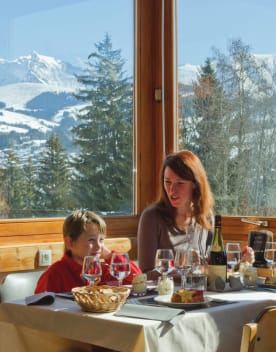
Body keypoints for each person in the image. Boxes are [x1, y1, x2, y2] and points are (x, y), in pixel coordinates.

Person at [137, 149, 254, 280]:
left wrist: (239, 262)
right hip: (165, 296)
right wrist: (177, 271)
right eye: (167, 181)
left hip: (199, 294)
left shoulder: (206, 216)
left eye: (179, 183)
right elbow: (144, 274)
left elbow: (210, 265)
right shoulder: (151, 217)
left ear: (195, 185)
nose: (171, 190)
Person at [35, 209, 141, 293]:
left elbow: (138, 282)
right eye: (91, 240)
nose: (99, 246)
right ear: (69, 243)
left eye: (101, 240)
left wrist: (110, 256)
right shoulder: (54, 275)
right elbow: (40, 312)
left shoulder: (104, 271)